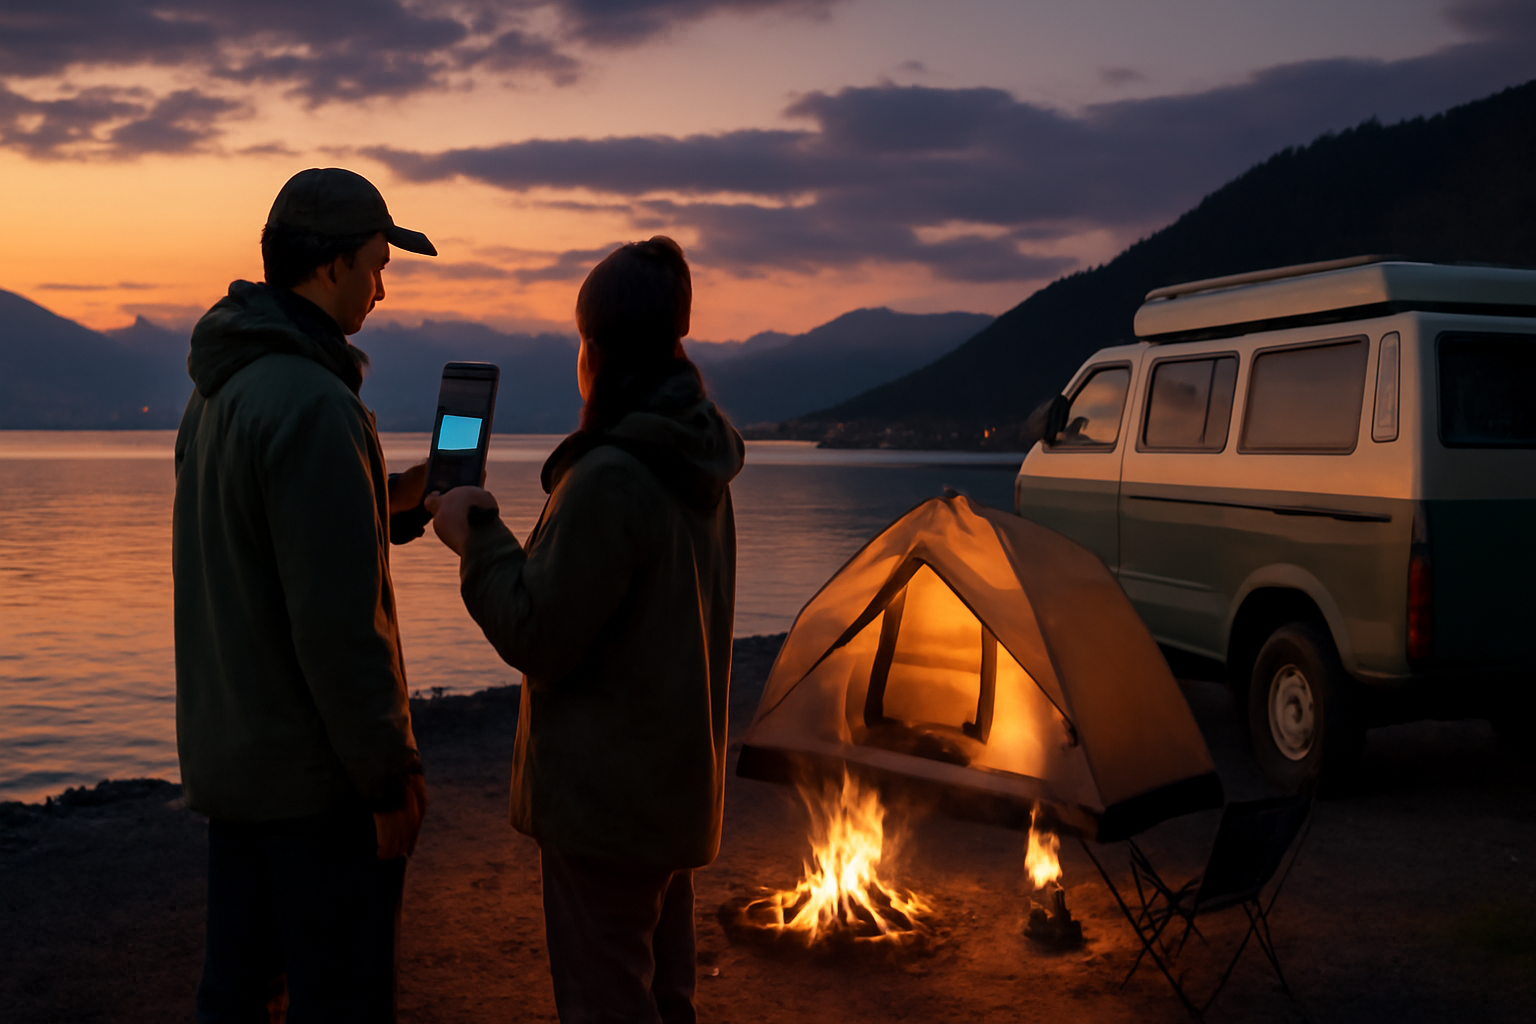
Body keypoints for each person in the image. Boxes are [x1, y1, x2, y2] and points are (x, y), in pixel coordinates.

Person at [427, 237, 744, 1024]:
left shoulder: (610, 476)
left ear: (594, 350)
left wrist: (479, 536)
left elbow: (540, 634)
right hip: (671, 797)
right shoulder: (696, 464)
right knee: (666, 1001)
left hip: (606, 808)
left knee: (608, 1002)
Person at [173, 167, 437, 1023]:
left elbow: (261, 540)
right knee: (344, 1003)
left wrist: (390, 498)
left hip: (237, 761)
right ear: (329, 268)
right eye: (374, 264)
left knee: (238, 996)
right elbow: (337, 627)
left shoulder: (219, 392)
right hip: (316, 783)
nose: (382, 288)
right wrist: (388, 776)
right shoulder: (319, 404)